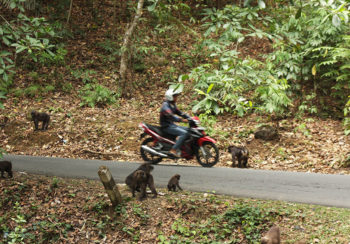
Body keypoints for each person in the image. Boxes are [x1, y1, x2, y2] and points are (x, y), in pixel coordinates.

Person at [160, 87, 191, 157]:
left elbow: (179, 112)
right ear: (170, 97)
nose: (176, 98)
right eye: (175, 96)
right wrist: (182, 120)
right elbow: (171, 116)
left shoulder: (172, 104)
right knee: (184, 133)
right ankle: (173, 150)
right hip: (166, 126)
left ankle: (182, 148)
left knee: (190, 130)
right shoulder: (165, 106)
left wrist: (190, 118)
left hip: (172, 125)